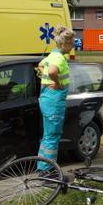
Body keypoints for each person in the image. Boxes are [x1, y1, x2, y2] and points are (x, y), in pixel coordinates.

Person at [36, 26, 76, 170]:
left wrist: (48, 80)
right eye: (72, 42)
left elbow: (40, 66)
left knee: (47, 136)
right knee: (53, 136)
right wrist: (57, 83)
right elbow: (52, 71)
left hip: (46, 98)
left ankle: (42, 167)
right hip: (54, 101)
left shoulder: (52, 55)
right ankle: (48, 171)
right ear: (65, 43)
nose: (73, 45)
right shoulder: (59, 58)